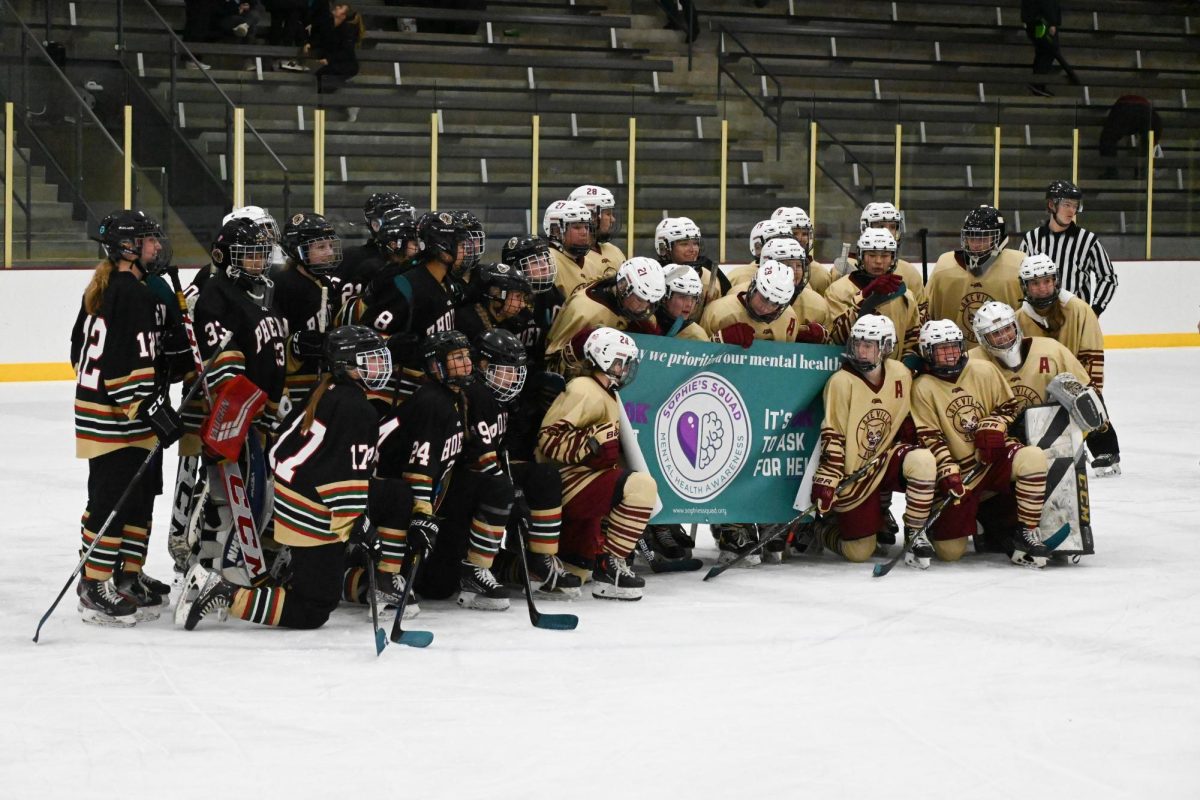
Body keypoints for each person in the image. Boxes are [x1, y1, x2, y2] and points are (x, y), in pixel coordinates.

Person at [178, 325, 392, 630]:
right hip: (312, 513)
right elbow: (343, 473)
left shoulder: (326, 391)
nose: (379, 366)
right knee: (313, 609)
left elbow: (284, 449)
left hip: (297, 501)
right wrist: (357, 522)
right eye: (369, 359)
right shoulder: (356, 408)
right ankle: (224, 592)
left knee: (321, 592)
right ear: (346, 364)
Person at [71, 210, 180, 625]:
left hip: (122, 412)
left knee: (138, 496)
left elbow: (76, 351)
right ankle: (94, 584)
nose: (156, 246)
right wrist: (146, 408)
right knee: (110, 500)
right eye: (149, 240)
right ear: (129, 248)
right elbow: (119, 366)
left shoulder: (113, 290)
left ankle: (127, 575)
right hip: (115, 417)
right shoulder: (133, 294)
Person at [911, 320, 1050, 568]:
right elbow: (929, 436)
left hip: (992, 460)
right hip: (960, 473)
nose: (950, 353)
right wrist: (946, 469)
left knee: (1033, 457)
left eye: (953, 346)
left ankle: (1026, 532)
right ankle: (968, 520)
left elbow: (1008, 407)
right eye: (941, 349)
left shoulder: (983, 370)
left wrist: (994, 424)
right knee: (950, 552)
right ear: (927, 352)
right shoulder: (922, 387)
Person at [538, 327, 658, 600]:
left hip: (584, 481)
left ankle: (508, 568)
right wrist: (591, 442)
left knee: (575, 573)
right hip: (568, 482)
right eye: (621, 361)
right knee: (641, 486)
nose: (626, 368)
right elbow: (548, 440)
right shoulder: (584, 389)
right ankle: (611, 565)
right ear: (604, 359)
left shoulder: (606, 392)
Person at [809, 316, 937, 567]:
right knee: (858, 552)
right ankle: (816, 530)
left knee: (922, 460)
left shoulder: (900, 373)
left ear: (886, 347)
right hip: (856, 474)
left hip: (886, 458)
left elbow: (907, 415)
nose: (861, 351)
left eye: (869, 345)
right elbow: (833, 435)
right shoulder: (841, 382)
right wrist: (827, 479)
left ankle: (915, 532)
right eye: (857, 344)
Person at [1014, 254, 1120, 475]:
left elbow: (1092, 353)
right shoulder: (1018, 319)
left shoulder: (1079, 309)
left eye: (1047, 281)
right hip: (1037, 380)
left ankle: (1105, 449)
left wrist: (1093, 391)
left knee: (1089, 402)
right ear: (1025, 287)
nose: (1042, 288)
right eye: (1035, 283)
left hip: (1074, 377)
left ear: (1056, 281)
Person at [352, 210, 466, 402]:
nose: (464, 251)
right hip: (398, 395)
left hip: (434, 391)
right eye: (460, 244)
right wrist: (391, 344)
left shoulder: (449, 284)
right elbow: (364, 337)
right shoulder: (405, 285)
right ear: (444, 246)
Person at [544, 257, 665, 377]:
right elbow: (553, 366)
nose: (644, 307)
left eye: (651, 302)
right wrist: (577, 349)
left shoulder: (641, 312)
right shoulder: (585, 311)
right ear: (623, 287)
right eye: (639, 299)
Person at [927, 205, 1024, 348]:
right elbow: (927, 313)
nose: (976, 245)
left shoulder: (1019, 264)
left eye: (984, 238)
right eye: (972, 238)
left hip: (1006, 352)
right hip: (952, 355)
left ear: (1000, 238)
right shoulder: (944, 265)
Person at [1019, 180, 1118, 318]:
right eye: (1067, 205)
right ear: (1051, 205)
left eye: (1075, 206)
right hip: (1038, 316)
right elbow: (1020, 278)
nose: (1072, 211)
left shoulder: (1088, 240)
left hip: (1075, 317)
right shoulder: (1031, 239)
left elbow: (1108, 278)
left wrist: (1095, 310)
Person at [275, 212, 343, 409]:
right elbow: (272, 344)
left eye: (330, 245)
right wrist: (295, 346)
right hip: (293, 388)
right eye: (320, 247)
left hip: (323, 385)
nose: (329, 252)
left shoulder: (326, 284)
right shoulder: (282, 286)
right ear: (297, 251)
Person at [827, 228, 920, 364]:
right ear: (861, 256)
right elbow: (837, 338)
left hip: (892, 376)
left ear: (893, 258)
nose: (878, 261)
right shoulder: (838, 290)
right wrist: (866, 297)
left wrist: (906, 367)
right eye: (872, 255)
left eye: (884, 256)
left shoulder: (906, 295)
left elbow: (911, 342)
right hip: (851, 372)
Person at [653, 216, 726, 308]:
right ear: (665, 247)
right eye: (684, 244)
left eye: (695, 243)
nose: (693, 250)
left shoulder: (708, 274)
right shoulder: (653, 278)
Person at [543, 199, 604, 301]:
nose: (584, 232)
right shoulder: (546, 262)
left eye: (586, 227)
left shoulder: (591, 264)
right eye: (577, 227)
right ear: (556, 230)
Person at [770, 206, 832, 295]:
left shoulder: (820, 274)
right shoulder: (755, 270)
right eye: (794, 233)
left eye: (805, 234)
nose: (800, 238)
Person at [1020, 0, 1078, 96]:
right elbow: (1048, 3)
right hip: (1042, 22)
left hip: (1036, 21)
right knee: (1048, 49)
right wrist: (1052, 22)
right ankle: (1037, 83)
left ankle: (1037, 83)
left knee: (1043, 50)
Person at [1098, 95, 1163, 179]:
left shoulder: (1119, 109)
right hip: (1147, 111)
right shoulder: (1148, 109)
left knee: (1107, 139)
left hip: (1124, 108)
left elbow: (1107, 138)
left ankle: (1112, 172)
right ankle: (1140, 173)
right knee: (1147, 144)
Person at [568, 184, 625, 276]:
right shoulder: (573, 256)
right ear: (591, 216)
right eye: (608, 214)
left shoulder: (614, 250)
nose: (613, 219)